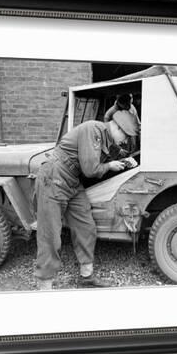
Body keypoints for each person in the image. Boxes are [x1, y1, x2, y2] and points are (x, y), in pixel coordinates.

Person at [34, 111, 140, 290]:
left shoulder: (106, 138)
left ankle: (86, 276)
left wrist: (122, 160)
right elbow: (91, 170)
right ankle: (44, 285)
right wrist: (109, 166)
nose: (124, 141)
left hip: (72, 181)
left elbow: (109, 155)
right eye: (125, 136)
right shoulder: (93, 130)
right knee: (50, 234)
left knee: (86, 227)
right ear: (117, 128)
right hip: (54, 177)